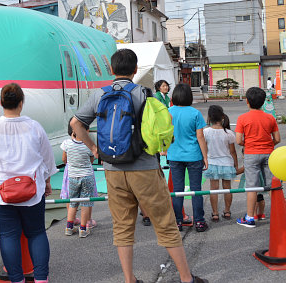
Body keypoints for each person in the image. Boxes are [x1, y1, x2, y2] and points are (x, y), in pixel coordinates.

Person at [70, 49, 207, 283]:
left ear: (111, 71)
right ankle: (186, 278)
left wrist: (95, 149)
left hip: (113, 171)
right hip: (143, 168)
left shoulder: (99, 95)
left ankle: (129, 280)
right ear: (135, 71)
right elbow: (160, 130)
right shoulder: (144, 94)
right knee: (164, 223)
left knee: (122, 227)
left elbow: (76, 123)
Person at [0, 83, 57, 283]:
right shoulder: (35, 127)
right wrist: (46, 182)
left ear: (1, 103)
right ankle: (40, 279)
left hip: (1, 192)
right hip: (32, 191)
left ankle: (16, 279)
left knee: (9, 236)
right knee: (37, 233)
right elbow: (47, 160)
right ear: (21, 103)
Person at [235, 87, 281, 228]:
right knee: (273, 185)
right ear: (262, 102)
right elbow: (277, 139)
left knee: (252, 187)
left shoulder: (242, 118)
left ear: (247, 102)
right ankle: (278, 215)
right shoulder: (270, 117)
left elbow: (238, 140)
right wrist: (267, 144)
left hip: (251, 154)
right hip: (269, 153)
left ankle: (250, 217)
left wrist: (248, 143)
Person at [167, 83, 209, 232]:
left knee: (177, 190)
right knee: (196, 190)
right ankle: (199, 221)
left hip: (174, 155)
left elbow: (163, 134)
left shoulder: (168, 112)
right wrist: (205, 156)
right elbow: (200, 137)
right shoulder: (195, 113)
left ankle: (177, 221)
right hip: (193, 155)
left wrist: (163, 150)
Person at [203, 105, 237, 221]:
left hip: (212, 163)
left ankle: (215, 212)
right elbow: (232, 152)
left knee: (214, 189)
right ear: (222, 117)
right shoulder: (229, 133)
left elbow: (204, 149)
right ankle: (227, 211)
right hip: (227, 163)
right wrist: (236, 165)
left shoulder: (206, 132)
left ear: (209, 117)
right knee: (228, 188)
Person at [61, 121, 95, 237]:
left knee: (72, 202)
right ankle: (83, 229)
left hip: (72, 177)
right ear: (87, 131)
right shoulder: (88, 146)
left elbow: (64, 159)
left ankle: (69, 228)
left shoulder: (66, 144)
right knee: (85, 202)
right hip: (87, 176)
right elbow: (91, 161)